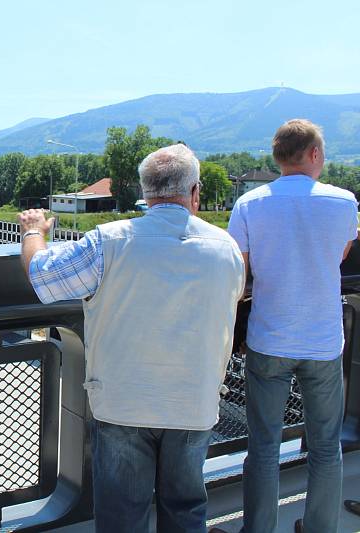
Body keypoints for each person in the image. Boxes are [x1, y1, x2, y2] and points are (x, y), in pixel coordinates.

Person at [19, 143, 245, 533]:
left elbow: (44, 276)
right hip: (194, 402)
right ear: (195, 191)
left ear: (144, 193)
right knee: (186, 508)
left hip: (123, 402)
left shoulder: (108, 240)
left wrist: (35, 232)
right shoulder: (225, 247)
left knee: (122, 515)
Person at [226, 119, 357, 533]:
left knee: (263, 448)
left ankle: (258, 528)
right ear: (315, 154)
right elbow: (338, 255)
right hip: (322, 341)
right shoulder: (343, 202)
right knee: (325, 448)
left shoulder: (250, 204)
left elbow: (237, 270)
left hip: (269, 337)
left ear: (278, 157)